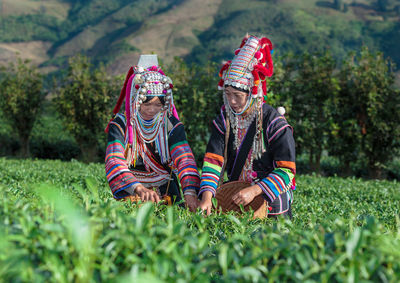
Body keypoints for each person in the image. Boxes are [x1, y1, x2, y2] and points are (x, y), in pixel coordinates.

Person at [198, 35, 296, 218]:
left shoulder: (274, 123)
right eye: (227, 94)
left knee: (277, 202)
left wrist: (255, 190)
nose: (232, 101)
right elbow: (214, 160)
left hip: (267, 190)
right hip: (234, 189)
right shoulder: (224, 119)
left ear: (252, 93)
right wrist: (206, 197)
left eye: (237, 95)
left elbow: (287, 170)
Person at [105, 55, 200, 211]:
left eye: (158, 104)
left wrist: (190, 192)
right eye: (147, 103)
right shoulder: (121, 124)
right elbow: (114, 159)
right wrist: (138, 187)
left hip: (167, 189)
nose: (152, 110)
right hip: (132, 190)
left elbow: (185, 160)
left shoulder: (171, 125)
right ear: (136, 100)